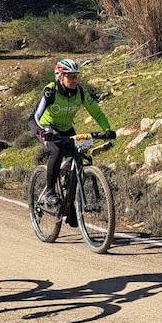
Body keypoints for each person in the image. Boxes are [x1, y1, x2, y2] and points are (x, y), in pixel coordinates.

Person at [31, 59, 113, 210]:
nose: (75, 80)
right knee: (56, 151)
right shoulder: (51, 91)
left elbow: (97, 113)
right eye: (70, 76)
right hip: (45, 126)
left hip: (66, 128)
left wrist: (107, 130)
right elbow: (36, 116)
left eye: (76, 76)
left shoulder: (81, 92)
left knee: (80, 155)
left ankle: (70, 203)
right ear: (60, 76)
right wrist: (43, 131)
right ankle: (49, 192)